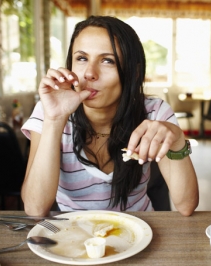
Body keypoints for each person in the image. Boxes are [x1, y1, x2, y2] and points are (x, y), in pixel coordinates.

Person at [21, 15, 198, 216]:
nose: (89, 73)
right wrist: (54, 120)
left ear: (134, 73)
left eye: (107, 60)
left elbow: (186, 206)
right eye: (81, 58)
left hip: (141, 232)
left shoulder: (154, 112)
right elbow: (35, 209)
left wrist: (176, 141)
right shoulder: (48, 109)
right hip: (72, 236)